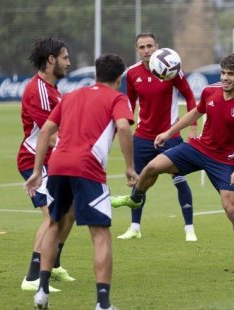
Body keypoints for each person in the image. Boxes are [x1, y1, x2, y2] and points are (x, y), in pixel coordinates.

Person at [112, 53, 234, 273]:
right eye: (223, 72)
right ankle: (135, 198)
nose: (225, 77)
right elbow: (194, 113)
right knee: (152, 167)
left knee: (231, 210)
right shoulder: (210, 91)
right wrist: (169, 132)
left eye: (231, 74)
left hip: (225, 161)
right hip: (198, 149)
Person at [24, 54, 137, 310]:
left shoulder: (72, 95)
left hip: (57, 166)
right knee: (100, 235)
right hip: (88, 169)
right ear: (119, 78)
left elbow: (45, 131)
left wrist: (36, 171)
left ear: (96, 73)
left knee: (54, 223)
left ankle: (41, 291)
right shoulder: (118, 98)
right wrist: (130, 167)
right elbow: (123, 127)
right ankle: (103, 303)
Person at [117, 32, 198, 242]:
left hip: (170, 135)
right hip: (143, 137)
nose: (146, 51)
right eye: (142, 47)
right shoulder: (132, 74)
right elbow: (130, 104)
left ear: (157, 46)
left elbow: (190, 97)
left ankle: (189, 228)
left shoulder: (172, 69)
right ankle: (134, 227)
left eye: (149, 46)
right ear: (137, 50)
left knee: (179, 179)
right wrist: (127, 127)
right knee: (139, 181)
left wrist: (192, 127)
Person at [17, 37, 75, 292]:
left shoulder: (51, 89)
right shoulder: (38, 90)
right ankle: (32, 277)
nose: (68, 63)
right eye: (65, 57)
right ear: (51, 60)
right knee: (52, 218)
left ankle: (52, 264)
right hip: (34, 161)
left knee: (70, 212)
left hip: (54, 161)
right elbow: (49, 135)